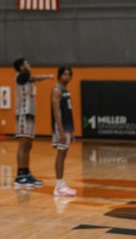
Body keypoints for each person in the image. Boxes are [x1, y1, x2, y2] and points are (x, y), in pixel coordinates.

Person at [11, 58, 53, 189]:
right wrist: (47, 76)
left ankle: (26, 173)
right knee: (23, 145)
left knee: (29, 145)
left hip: (30, 114)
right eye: (27, 63)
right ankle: (20, 176)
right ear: (22, 66)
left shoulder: (27, 77)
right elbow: (36, 77)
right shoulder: (21, 76)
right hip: (23, 114)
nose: (29, 64)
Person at [51, 66, 76, 197]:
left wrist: (71, 131)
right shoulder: (57, 90)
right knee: (61, 155)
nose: (68, 77)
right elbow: (56, 112)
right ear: (59, 76)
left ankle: (61, 184)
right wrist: (60, 130)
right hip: (60, 128)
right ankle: (58, 186)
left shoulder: (66, 90)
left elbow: (68, 112)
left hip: (67, 128)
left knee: (64, 154)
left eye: (69, 74)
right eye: (65, 74)